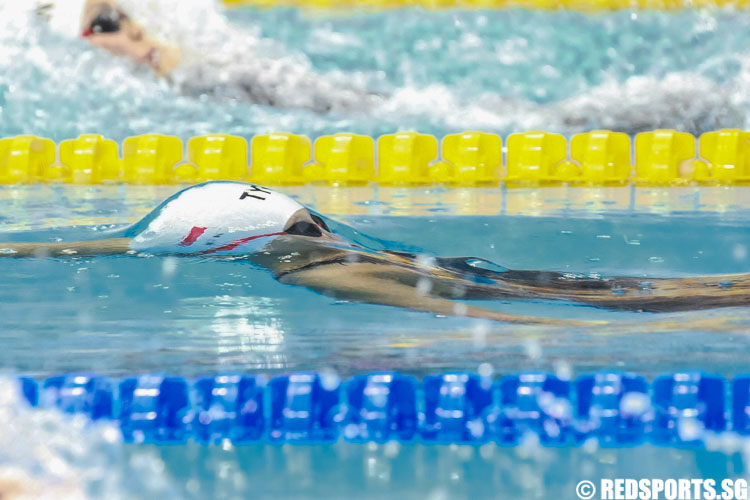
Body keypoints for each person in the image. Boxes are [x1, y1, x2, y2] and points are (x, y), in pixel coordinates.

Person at [2, 181, 750, 325]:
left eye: (313, 217)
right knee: (617, 288)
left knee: (608, 291)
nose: (324, 228)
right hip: (456, 274)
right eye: (307, 224)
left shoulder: (327, 265)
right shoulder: (334, 265)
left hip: (452, 278)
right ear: (251, 242)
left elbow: (119, 245)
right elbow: (531, 318)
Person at [35, 0, 382, 113]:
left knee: (322, 97)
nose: (134, 26)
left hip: (208, 80)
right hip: (205, 83)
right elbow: (148, 54)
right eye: (112, 21)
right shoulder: (96, 38)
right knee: (322, 98)